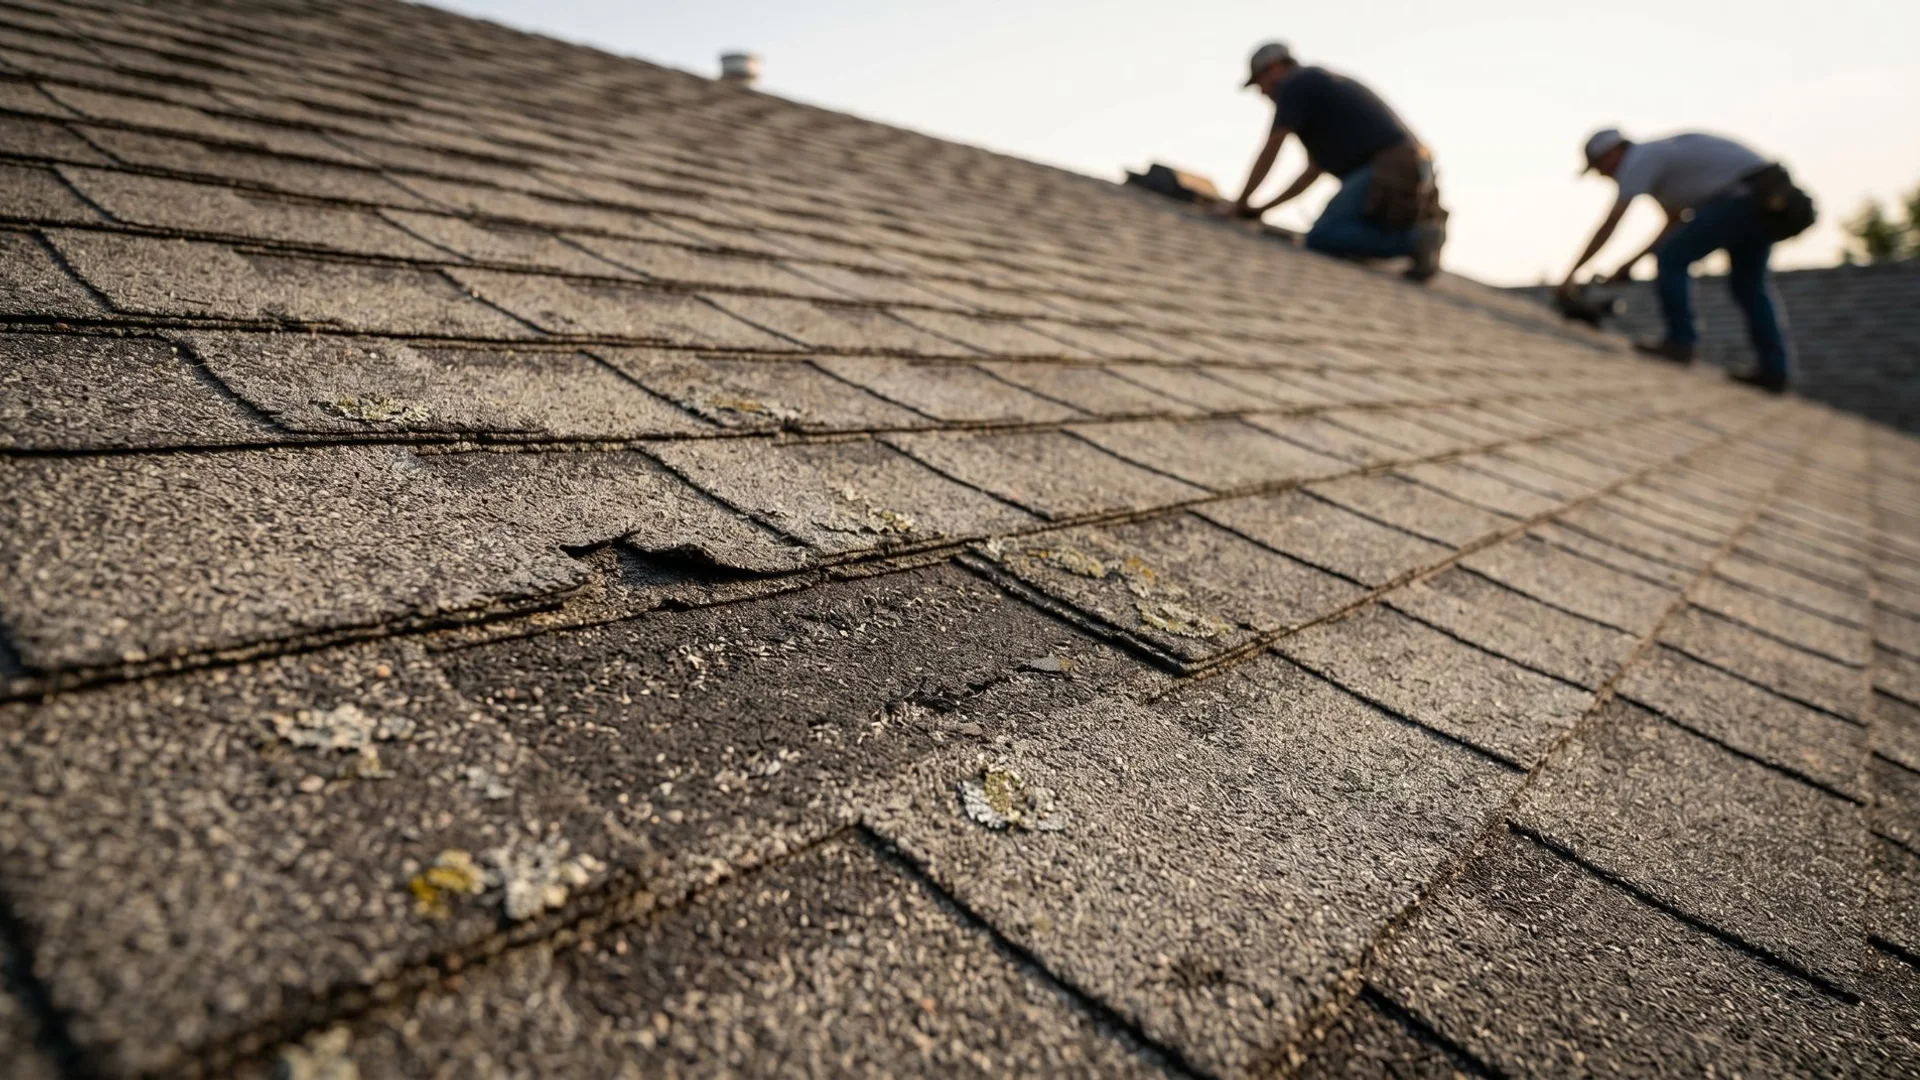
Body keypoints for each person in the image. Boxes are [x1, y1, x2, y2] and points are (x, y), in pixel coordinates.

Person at [1558, 128, 1793, 393]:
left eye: (1600, 166)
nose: (1602, 175)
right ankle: (1774, 371)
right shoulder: (1660, 164)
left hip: (1742, 198)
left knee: (1671, 260)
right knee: (1749, 285)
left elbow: (1611, 223)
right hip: (1766, 199)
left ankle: (1680, 342)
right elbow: (1672, 223)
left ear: (1613, 152)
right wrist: (1628, 265)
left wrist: (1570, 275)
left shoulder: (1638, 160)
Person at [1220, 41, 1446, 281]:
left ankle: (1412, 241)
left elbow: (1272, 148)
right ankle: (1418, 242)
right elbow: (1311, 172)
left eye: (1259, 82)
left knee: (1323, 237)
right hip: (1413, 166)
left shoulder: (1295, 85)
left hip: (1389, 165)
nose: (1262, 92)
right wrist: (1260, 209)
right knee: (1338, 233)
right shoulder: (1315, 87)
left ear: (1275, 67)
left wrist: (1239, 203)